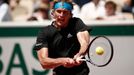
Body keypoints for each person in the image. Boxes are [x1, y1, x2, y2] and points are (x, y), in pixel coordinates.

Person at [34, 0, 92, 75]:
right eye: (58, 11)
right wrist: (63, 61)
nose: (61, 15)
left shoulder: (77, 23)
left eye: (65, 12)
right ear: (53, 13)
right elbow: (44, 62)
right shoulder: (44, 32)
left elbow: (84, 43)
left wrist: (79, 54)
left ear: (70, 15)